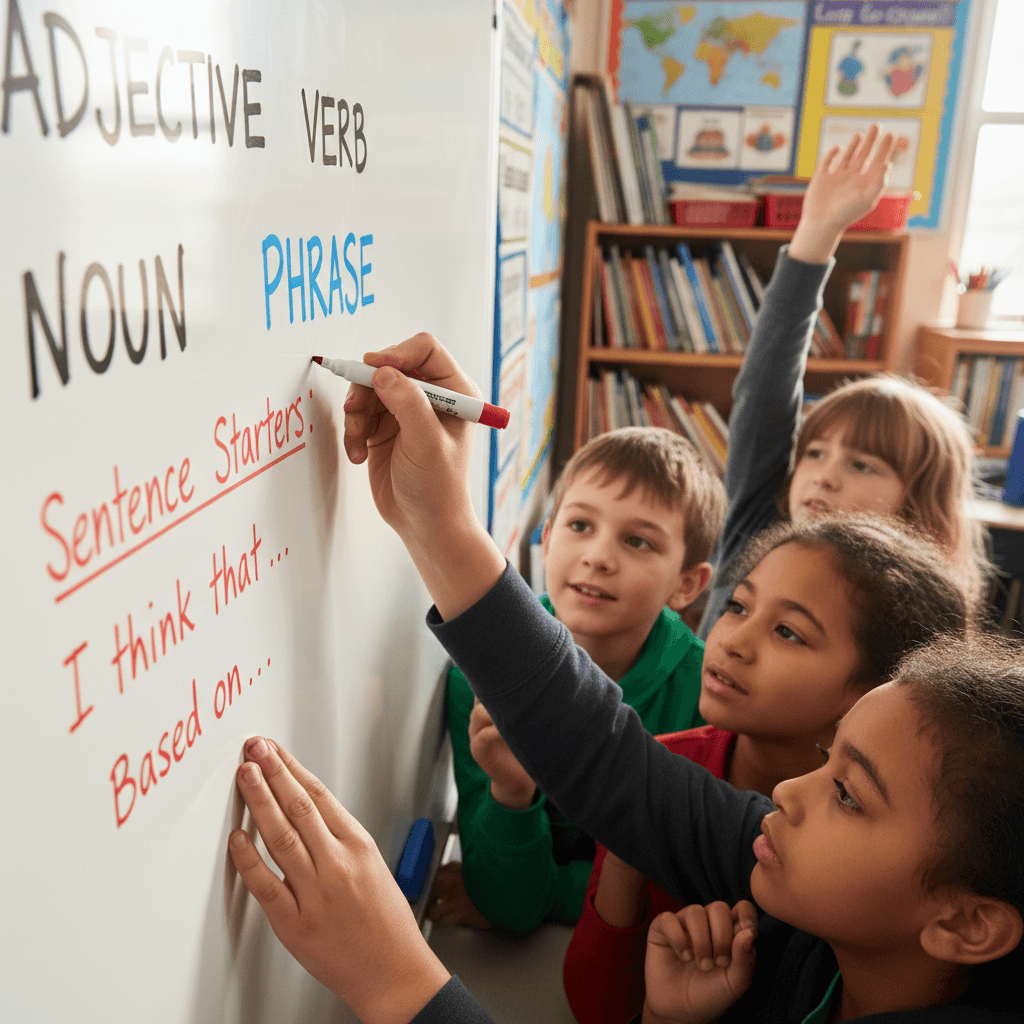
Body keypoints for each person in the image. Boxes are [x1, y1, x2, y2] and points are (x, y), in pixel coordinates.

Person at [227, 319, 1023, 1023]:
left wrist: (395, 981)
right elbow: (613, 761)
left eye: (848, 792)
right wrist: (439, 523)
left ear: (965, 923)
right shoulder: (828, 911)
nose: (785, 792)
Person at [562, 514, 967, 1024]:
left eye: (787, 632)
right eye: (737, 606)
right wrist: (631, 830)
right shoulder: (666, 765)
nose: (732, 640)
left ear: (876, 693)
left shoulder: (880, 855)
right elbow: (596, 1008)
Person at [697, 124, 987, 640]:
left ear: (916, 505)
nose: (824, 477)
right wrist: (816, 232)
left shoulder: (909, 617)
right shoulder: (761, 528)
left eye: (861, 464)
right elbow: (763, 390)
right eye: (814, 453)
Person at [434, 427, 725, 932]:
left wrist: (552, 892)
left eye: (637, 541)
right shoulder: (478, 677)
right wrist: (511, 793)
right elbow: (509, 908)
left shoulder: (708, 693)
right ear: (547, 538)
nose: (598, 557)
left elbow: (684, 889)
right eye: (580, 525)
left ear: (686, 584)